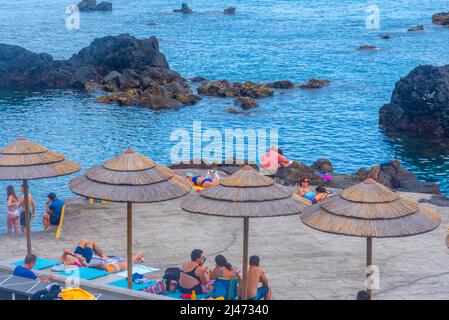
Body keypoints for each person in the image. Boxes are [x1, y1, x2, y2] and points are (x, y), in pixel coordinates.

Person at [60, 240, 144, 273]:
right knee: (123, 265)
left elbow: (64, 255)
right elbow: (86, 265)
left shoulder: (70, 263)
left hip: (94, 267)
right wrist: (82, 261)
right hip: (103, 269)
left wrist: (72, 255)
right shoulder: (79, 265)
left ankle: (138, 256)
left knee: (120, 265)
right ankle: (138, 255)